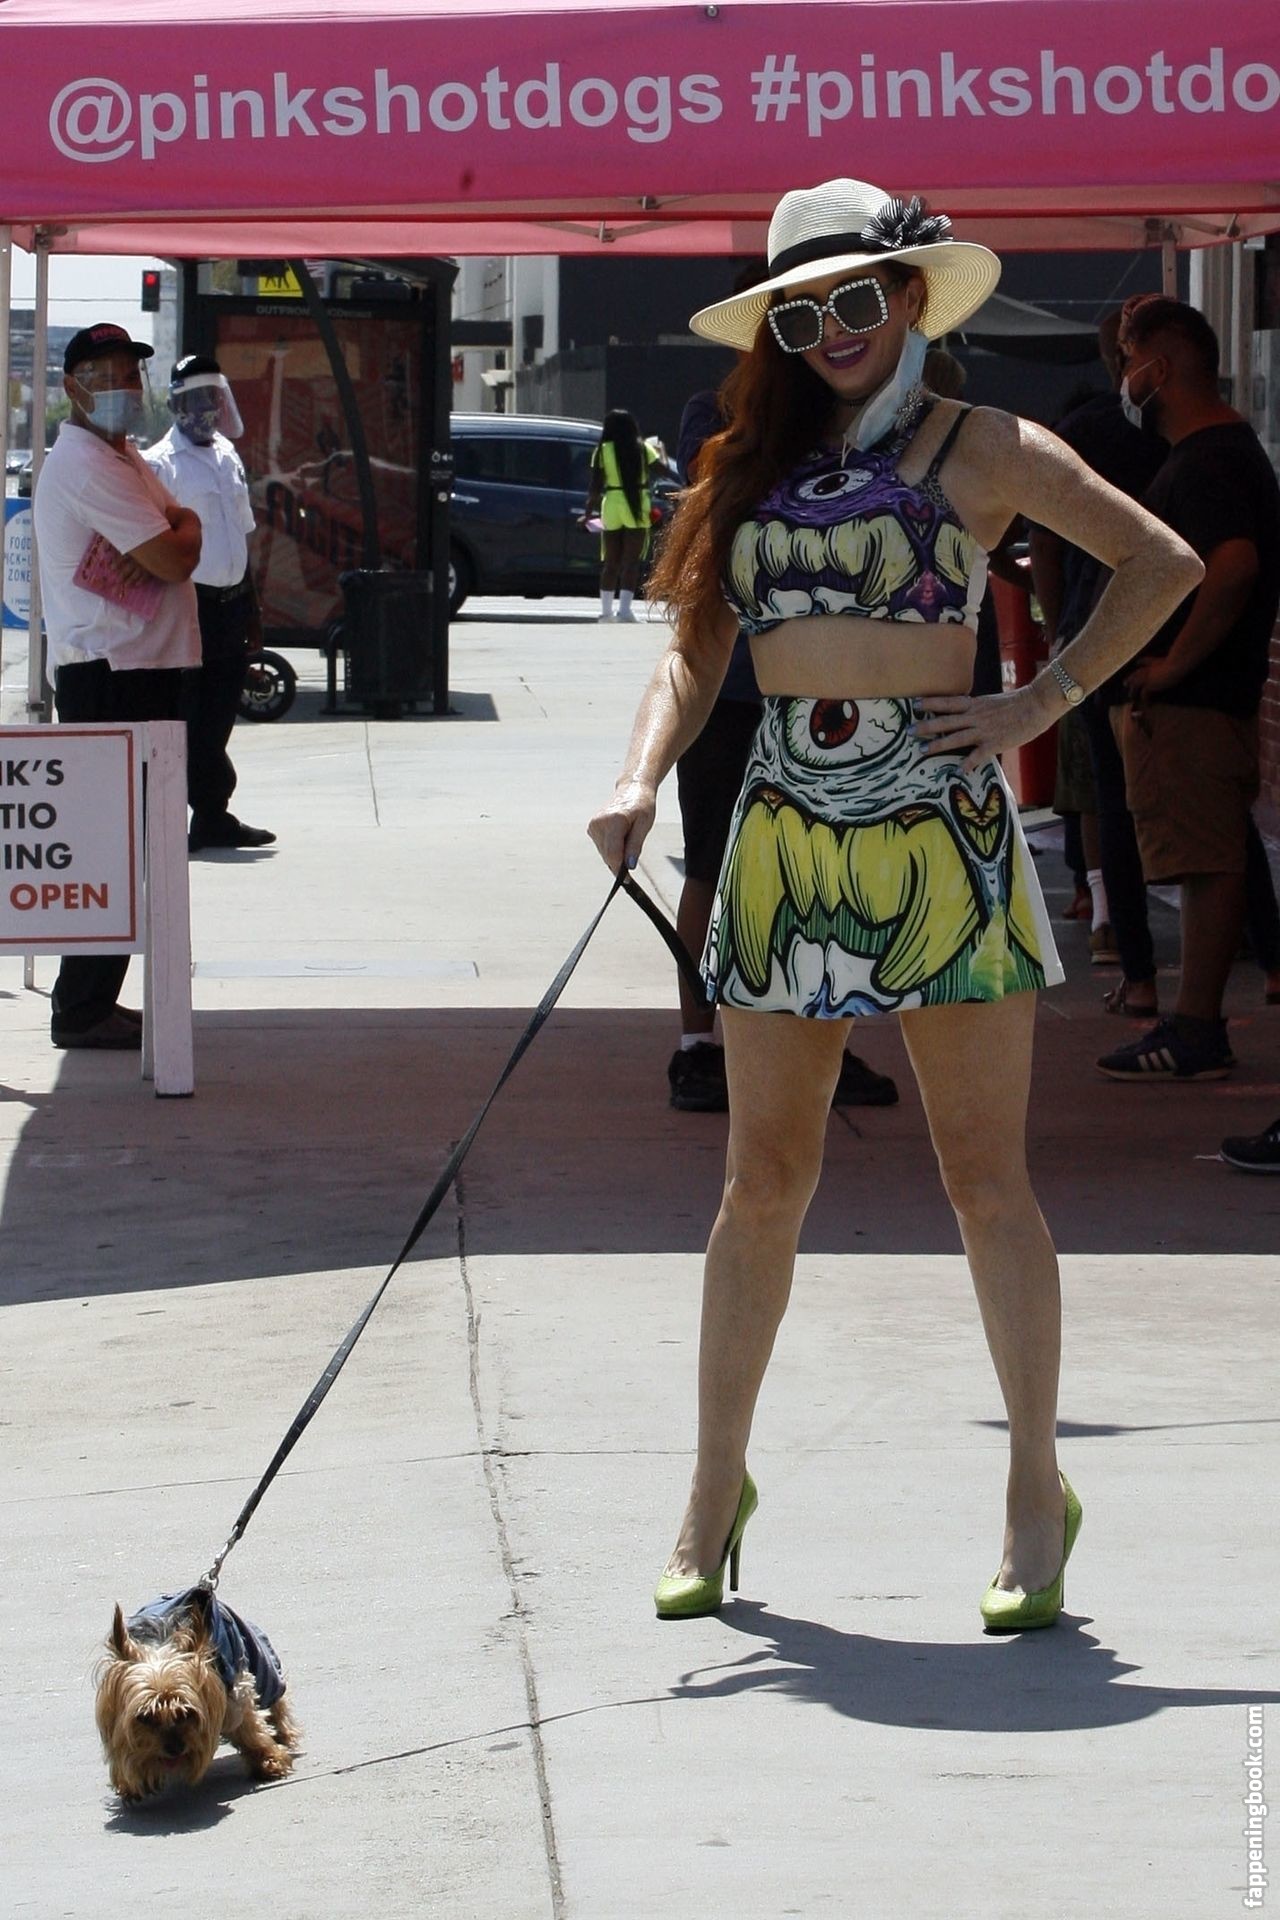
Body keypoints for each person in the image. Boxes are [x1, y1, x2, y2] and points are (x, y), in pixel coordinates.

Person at [588, 177, 1201, 1632]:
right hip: (784, 832)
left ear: (912, 296)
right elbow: (692, 648)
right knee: (760, 1184)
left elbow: (1161, 562)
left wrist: (1039, 701)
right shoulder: (747, 458)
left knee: (985, 1181)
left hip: (944, 833)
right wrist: (634, 778)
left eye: (855, 300)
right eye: (801, 315)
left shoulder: (983, 446)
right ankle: (712, 1488)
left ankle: (1035, 1489)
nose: (833, 331)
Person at [668, 264, 897, 1117]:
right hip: (734, 696)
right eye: (793, 320)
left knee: (831, 874)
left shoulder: (866, 421)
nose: (821, 334)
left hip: (824, 698)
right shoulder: (718, 420)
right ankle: (698, 1044)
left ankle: (828, 1039)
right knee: (711, 866)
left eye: (837, 313)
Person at [1095, 296, 1280, 1081]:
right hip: (1199, 701)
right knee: (1208, 857)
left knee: (1208, 862)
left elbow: (1233, 567)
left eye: (1127, 360)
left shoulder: (1210, 460)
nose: (1123, 378)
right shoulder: (1216, 453)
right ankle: (1193, 1022)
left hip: (1196, 705)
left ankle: (1197, 1028)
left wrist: (1173, 666)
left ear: (1159, 368)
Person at [33, 322, 202, 1050]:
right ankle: (81, 1006)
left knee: (132, 845)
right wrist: (179, 531)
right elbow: (174, 557)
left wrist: (182, 526)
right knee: (114, 848)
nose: (126, 388)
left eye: (132, 374)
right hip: (111, 675)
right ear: (73, 388)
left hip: (138, 671)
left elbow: (184, 525)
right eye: (108, 376)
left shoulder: (123, 454)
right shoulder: (85, 463)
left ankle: (93, 999)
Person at [144, 355, 276, 853]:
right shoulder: (161, 464)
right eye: (196, 400)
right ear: (177, 405)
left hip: (231, 604)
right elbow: (157, 547)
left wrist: (252, 610)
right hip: (188, 605)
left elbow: (241, 535)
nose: (206, 410)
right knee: (185, 717)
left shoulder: (226, 454)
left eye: (213, 399)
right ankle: (166, 819)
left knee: (219, 714)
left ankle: (212, 817)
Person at [582, 410, 662, 623]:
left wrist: (587, 514)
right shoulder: (642, 449)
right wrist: (659, 450)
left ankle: (606, 612)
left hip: (611, 504)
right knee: (631, 562)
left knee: (611, 562)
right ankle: (624, 611)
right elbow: (663, 470)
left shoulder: (602, 451)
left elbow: (594, 487)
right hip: (637, 504)